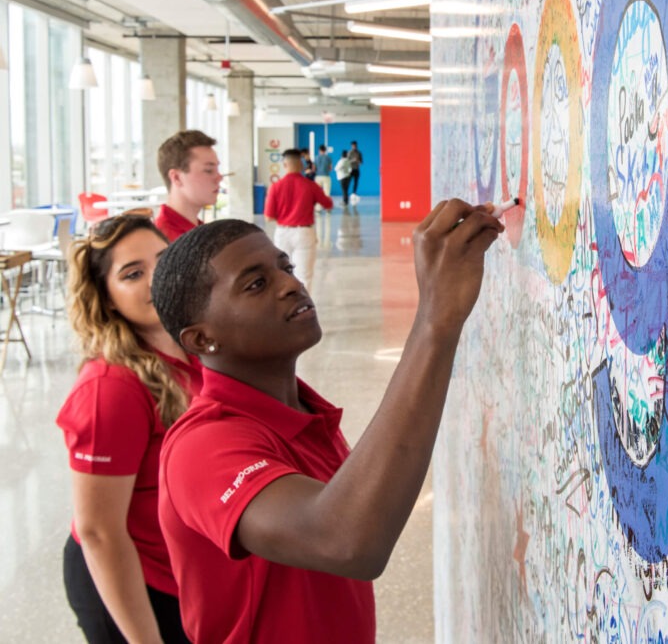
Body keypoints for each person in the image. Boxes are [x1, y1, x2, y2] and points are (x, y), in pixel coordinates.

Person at [149, 201, 501, 643]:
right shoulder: (202, 446)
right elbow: (347, 540)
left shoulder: (303, 414)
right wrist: (435, 320)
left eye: (286, 266)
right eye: (257, 284)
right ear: (203, 339)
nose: (291, 285)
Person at [57, 214, 203, 644]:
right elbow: (99, 532)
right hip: (130, 584)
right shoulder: (111, 389)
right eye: (133, 273)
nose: (157, 279)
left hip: (179, 572)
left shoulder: (192, 348)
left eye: (164, 260)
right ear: (108, 298)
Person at [264, 148, 334, 293]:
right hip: (305, 233)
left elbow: (269, 216)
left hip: (282, 232)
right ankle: (303, 310)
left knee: (282, 274)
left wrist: (285, 217)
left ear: (284, 165)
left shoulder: (275, 187)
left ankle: (284, 310)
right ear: (301, 165)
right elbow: (328, 204)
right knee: (304, 276)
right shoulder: (310, 186)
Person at [155, 130, 222, 242]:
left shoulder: (199, 231)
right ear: (176, 177)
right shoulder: (165, 242)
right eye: (209, 170)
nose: (219, 177)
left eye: (217, 169)